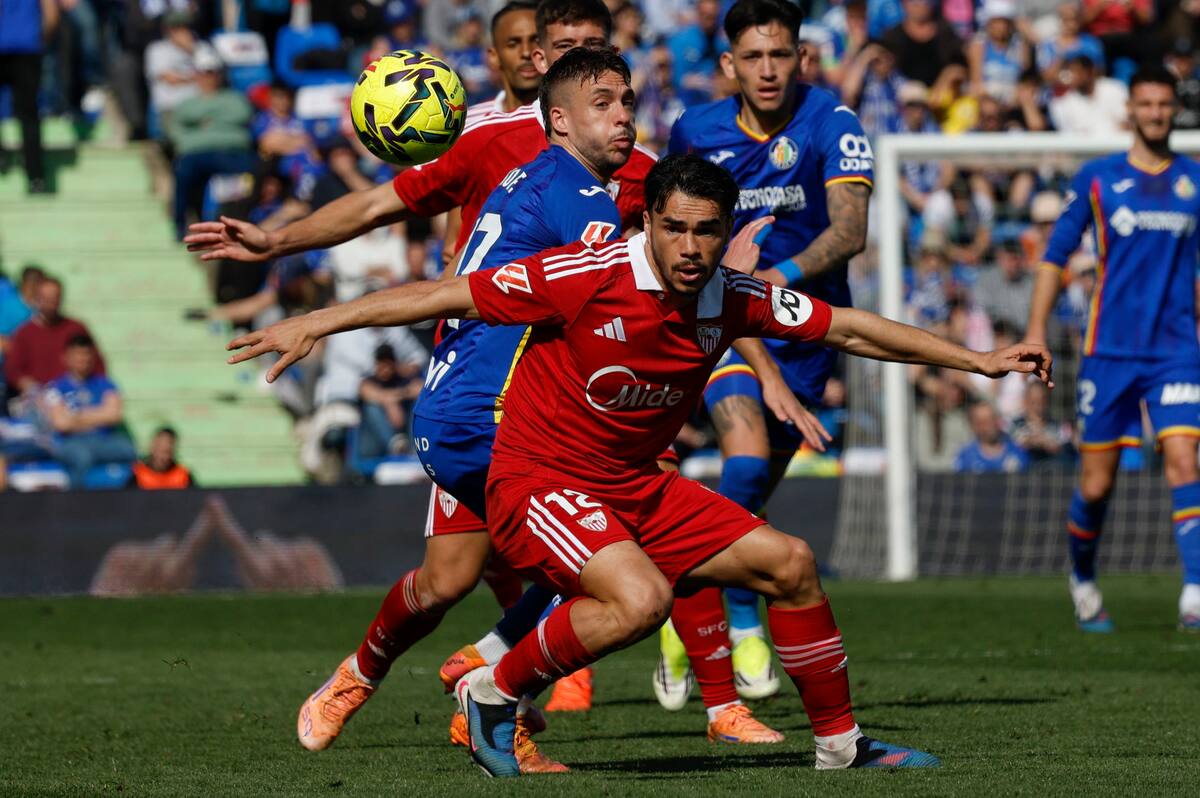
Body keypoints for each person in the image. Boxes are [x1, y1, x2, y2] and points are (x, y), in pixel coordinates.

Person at [228, 153, 1053, 777]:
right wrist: (319, 322)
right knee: (640, 599)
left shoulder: (731, 294)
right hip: (539, 475)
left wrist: (975, 360)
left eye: (707, 231)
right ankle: (491, 690)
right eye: (676, 228)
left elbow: (849, 328)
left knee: (792, 564)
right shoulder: (583, 274)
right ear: (648, 221)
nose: (691, 248)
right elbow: (441, 295)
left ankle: (840, 748)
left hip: (636, 484)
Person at [663, 0, 872, 701]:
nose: (768, 69)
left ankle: (682, 597)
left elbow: (849, 232)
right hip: (722, 323)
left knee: (746, 503)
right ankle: (742, 622)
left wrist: (775, 280)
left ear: (802, 57)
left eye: (780, 55)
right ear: (728, 65)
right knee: (744, 455)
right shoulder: (695, 131)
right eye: (752, 57)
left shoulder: (832, 123)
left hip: (805, 336)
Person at [1026, 64, 1200, 633]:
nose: (1154, 113)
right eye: (1145, 104)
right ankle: (1082, 579)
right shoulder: (1098, 178)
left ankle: (1194, 594)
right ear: (1131, 111)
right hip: (1110, 353)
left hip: (1175, 351)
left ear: (1174, 110)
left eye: (1162, 104)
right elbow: (1055, 255)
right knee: (1097, 484)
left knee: (1182, 462)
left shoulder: (1193, 182)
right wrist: (1035, 331)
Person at [168, 47, 255, 239]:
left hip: (231, 152)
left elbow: (242, 114)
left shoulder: (235, 99)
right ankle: (179, 223)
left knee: (253, 171)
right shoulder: (187, 103)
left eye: (212, 72)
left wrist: (201, 123)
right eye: (204, 73)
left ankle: (248, 220)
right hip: (195, 153)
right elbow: (176, 129)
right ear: (196, 75)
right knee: (182, 173)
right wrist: (220, 120)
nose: (208, 77)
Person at [41, 335, 136, 488]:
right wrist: (99, 414)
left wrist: (76, 416)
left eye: (86, 354)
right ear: (66, 357)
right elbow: (61, 424)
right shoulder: (56, 388)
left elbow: (114, 415)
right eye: (77, 354)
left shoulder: (105, 384)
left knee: (128, 450)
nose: (82, 359)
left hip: (104, 440)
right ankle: (77, 503)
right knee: (81, 457)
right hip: (70, 442)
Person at [4, 277, 105, 395]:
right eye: (46, 298)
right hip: (39, 400)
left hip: (77, 397)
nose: (50, 303)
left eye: (54, 298)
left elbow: (97, 365)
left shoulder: (76, 329)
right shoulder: (25, 333)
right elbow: (13, 371)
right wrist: (29, 386)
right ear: (36, 298)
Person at [0, 0, 58, 194]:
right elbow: (51, 15)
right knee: (29, 116)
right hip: (28, 48)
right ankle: (36, 178)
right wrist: (38, 39)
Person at [356, 344, 422, 457]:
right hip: (374, 445)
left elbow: (420, 388)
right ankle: (395, 446)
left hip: (404, 436)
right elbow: (364, 390)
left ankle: (413, 449)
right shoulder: (370, 381)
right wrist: (389, 402)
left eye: (387, 365)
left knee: (417, 404)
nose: (384, 369)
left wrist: (395, 397)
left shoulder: (401, 379)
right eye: (381, 364)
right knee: (372, 407)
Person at [1048, 53, 1128, 136]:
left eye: (1079, 72)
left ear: (1091, 72)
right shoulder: (1062, 102)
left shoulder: (1116, 89)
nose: (1075, 77)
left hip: (1117, 145)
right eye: (1072, 72)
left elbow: (1125, 123)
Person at [953, 401, 1030, 473]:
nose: (990, 425)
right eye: (983, 422)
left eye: (992, 419)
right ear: (973, 426)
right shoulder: (966, 458)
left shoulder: (1017, 452)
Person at [129, 427, 194, 489]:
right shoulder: (138, 474)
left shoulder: (183, 475)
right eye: (160, 450)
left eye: (167, 452)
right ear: (152, 447)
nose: (163, 458)